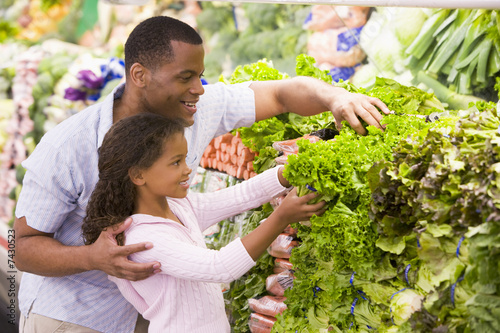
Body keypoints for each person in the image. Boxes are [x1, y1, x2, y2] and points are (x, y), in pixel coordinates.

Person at [13, 16, 390, 333]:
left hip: (152, 313)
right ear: (140, 75)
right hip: (74, 318)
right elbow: (23, 247)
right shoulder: (67, 146)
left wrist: (335, 98)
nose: (198, 89)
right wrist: (93, 258)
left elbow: (282, 94)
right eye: (185, 77)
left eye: (201, 76)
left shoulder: (193, 109)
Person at [81, 113, 325, 332]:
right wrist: (281, 216)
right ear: (138, 175)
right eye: (176, 162)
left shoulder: (178, 207)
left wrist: (287, 172)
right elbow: (220, 266)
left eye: (186, 159)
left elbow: (241, 196)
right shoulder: (143, 239)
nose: (188, 170)